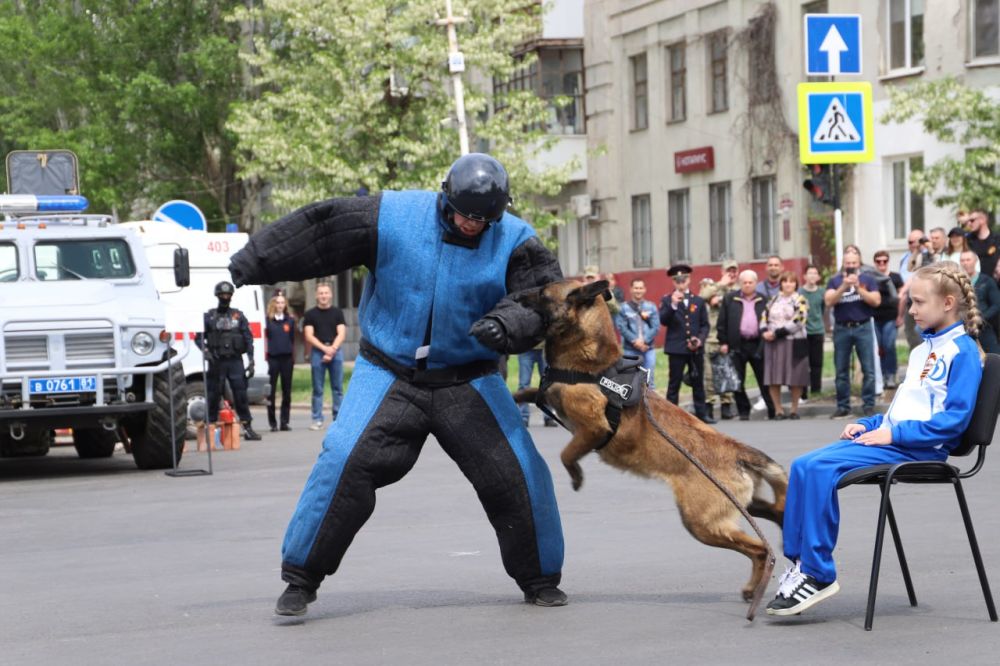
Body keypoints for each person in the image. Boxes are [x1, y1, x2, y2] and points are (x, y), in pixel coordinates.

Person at [227, 152, 567, 616]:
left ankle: (541, 579)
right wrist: (254, 260)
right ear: (446, 197)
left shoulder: (515, 238)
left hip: (469, 378)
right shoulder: (391, 215)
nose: (474, 225)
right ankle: (301, 578)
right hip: (387, 371)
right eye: (467, 215)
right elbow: (322, 230)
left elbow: (540, 299)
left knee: (521, 473)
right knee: (343, 458)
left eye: (485, 219)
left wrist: (507, 326)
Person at [766, 262, 984, 616]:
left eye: (917, 302)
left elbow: (953, 424)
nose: (911, 310)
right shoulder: (920, 352)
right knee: (803, 465)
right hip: (895, 440)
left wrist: (893, 433)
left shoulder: (963, 352)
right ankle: (800, 564)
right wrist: (869, 424)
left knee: (821, 469)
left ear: (947, 303)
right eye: (910, 302)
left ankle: (819, 574)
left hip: (920, 450)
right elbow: (903, 409)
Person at [196, 281, 262, 441]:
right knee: (213, 395)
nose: (225, 297)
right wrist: (206, 352)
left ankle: (247, 427)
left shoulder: (238, 316)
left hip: (235, 362)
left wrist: (251, 361)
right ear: (217, 296)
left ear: (231, 296)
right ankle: (210, 428)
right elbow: (198, 338)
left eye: (228, 295)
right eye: (222, 295)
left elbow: (248, 339)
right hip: (216, 361)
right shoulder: (209, 316)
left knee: (240, 395)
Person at [826, 248, 882, 418]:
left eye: (854, 263)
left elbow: (876, 301)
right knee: (841, 370)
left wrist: (859, 288)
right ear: (844, 263)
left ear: (859, 264)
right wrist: (844, 286)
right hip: (842, 328)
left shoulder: (868, 279)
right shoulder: (835, 281)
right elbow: (829, 301)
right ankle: (843, 406)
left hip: (863, 326)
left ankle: (868, 405)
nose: (851, 266)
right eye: (848, 263)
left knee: (868, 369)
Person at [659, 264, 715, 424]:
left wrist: (700, 339)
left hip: (695, 348)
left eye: (683, 279)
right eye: (677, 280)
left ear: (689, 280)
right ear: (673, 282)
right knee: (674, 383)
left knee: (698, 381)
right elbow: (663, 320)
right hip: (676, 348)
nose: (681, 283)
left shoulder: (698, 300)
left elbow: (705, 324)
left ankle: (701, 414)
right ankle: (670, 416)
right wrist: (673, 305)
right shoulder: (667, 300)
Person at [717, 269, 776, 420]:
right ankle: (744, 411)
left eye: (751, 282)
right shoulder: (730, 298)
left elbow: (771, 320)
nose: (748, 285)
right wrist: (723, 342)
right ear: (740, 283)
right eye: (745, 282)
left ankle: (772, 410)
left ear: (756, 283)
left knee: (764, 378)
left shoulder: (764, 299)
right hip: (737, 344)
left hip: (758, 344)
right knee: (737, 380)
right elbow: (722, 322)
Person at [760, 271, 809, 419]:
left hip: (793, 342)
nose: (788, 284)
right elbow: (764, 316)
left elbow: (799, 320)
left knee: (795, 377)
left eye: (792, 281)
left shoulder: (800, 300)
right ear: (781, 283)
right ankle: (778, 410)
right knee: (774, 377)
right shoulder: (774, 299)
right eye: (785, 281)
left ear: (796, 284)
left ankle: (794, 409)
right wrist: (764, 331)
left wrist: (778, 333)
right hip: (773, 343)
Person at [699, 259, 740, 420]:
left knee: (727, 373)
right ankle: (709, 406)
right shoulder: (713, 288)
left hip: (728, 338)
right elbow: (702, 296)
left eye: (734, 271)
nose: (732, 274)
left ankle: (726, 406)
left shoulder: (738, 290)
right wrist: (721, 284)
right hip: (711, 338)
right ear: (722, 272)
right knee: (709, 376)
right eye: (728, 270)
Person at [303, 282, 346, 431]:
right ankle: (317, 419)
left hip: (336, 351)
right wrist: (324, 349)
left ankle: (338, 418)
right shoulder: (310, 314)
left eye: (326, 293)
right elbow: (309, 335)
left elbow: (341, 333)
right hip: (317, 352)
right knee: (318, 389)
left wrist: (332, 349)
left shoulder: (337, 312)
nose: (323, 296)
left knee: (338, 388)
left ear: (331, 294)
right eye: (321, 293)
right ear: (316, 295)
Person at [615, 277, 660, 389]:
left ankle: (649, 405)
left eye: (640, 288)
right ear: (631, 289)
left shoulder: (651, 307)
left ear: (644, 289)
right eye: (636, 288)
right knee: (629, 381)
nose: (638, 290)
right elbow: (621, 327)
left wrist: (644, 341)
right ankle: (632, 406)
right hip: (630, 350)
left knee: (649, 381)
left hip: (648, 349)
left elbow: (655, 326)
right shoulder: (624, 308)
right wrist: (635, 341)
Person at [872, 250, 904, 389]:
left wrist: (900, 315)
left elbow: (902, 297)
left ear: (888, 261)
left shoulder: (895, 277)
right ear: (875, 263)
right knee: (879, 348)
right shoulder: (870, 277)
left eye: (884, 261)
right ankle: (882, 374)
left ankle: (891, 374)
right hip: (874, 317)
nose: (882, 264)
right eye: (879, 261)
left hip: (891, 317)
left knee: (889, 345)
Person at [265, 292, 296, 431]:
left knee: (286, 391)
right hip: (273, 359)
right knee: (270, 391)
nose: (280, 305)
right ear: (273, 304)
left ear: (285, 305)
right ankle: (272, 423)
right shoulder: (268, 320)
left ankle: (284, 422)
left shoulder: (290, 320)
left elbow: (292, 339)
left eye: (282, 302)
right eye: (277, 302)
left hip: (287, 359)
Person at [961, 250, 1000, 353]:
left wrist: (981, 318)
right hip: (964, 330)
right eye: (962, 260)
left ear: (975, 261)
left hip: (985, 328)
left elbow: (996, 304)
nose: (965, 263)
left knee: (994, 358)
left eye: (968, 260)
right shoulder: (958, 283)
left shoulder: (987, 281)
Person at [798, 265, 826, 399]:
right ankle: (802, 392)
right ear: (804, 276)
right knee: (802, 363)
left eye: (815, 273)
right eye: (809, 273)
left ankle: (816, 389)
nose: (812, 276)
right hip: (802, 332)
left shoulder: (822, 292)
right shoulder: (799, 293)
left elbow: (823, 309)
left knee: (817, 363)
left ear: (818, 277)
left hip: (818, 331)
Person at [517, 343, 556, 427]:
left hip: (545, 348)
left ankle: (548, 417)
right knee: (524, 384)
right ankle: (523, 417)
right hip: (526, 348)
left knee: (547, 385)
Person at [963, 207, 1000, 281]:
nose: (969, 224)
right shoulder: (968, 240)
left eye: (972, 220)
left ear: (982, 220)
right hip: (975, 284)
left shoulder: (997, 239)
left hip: (996, 284)